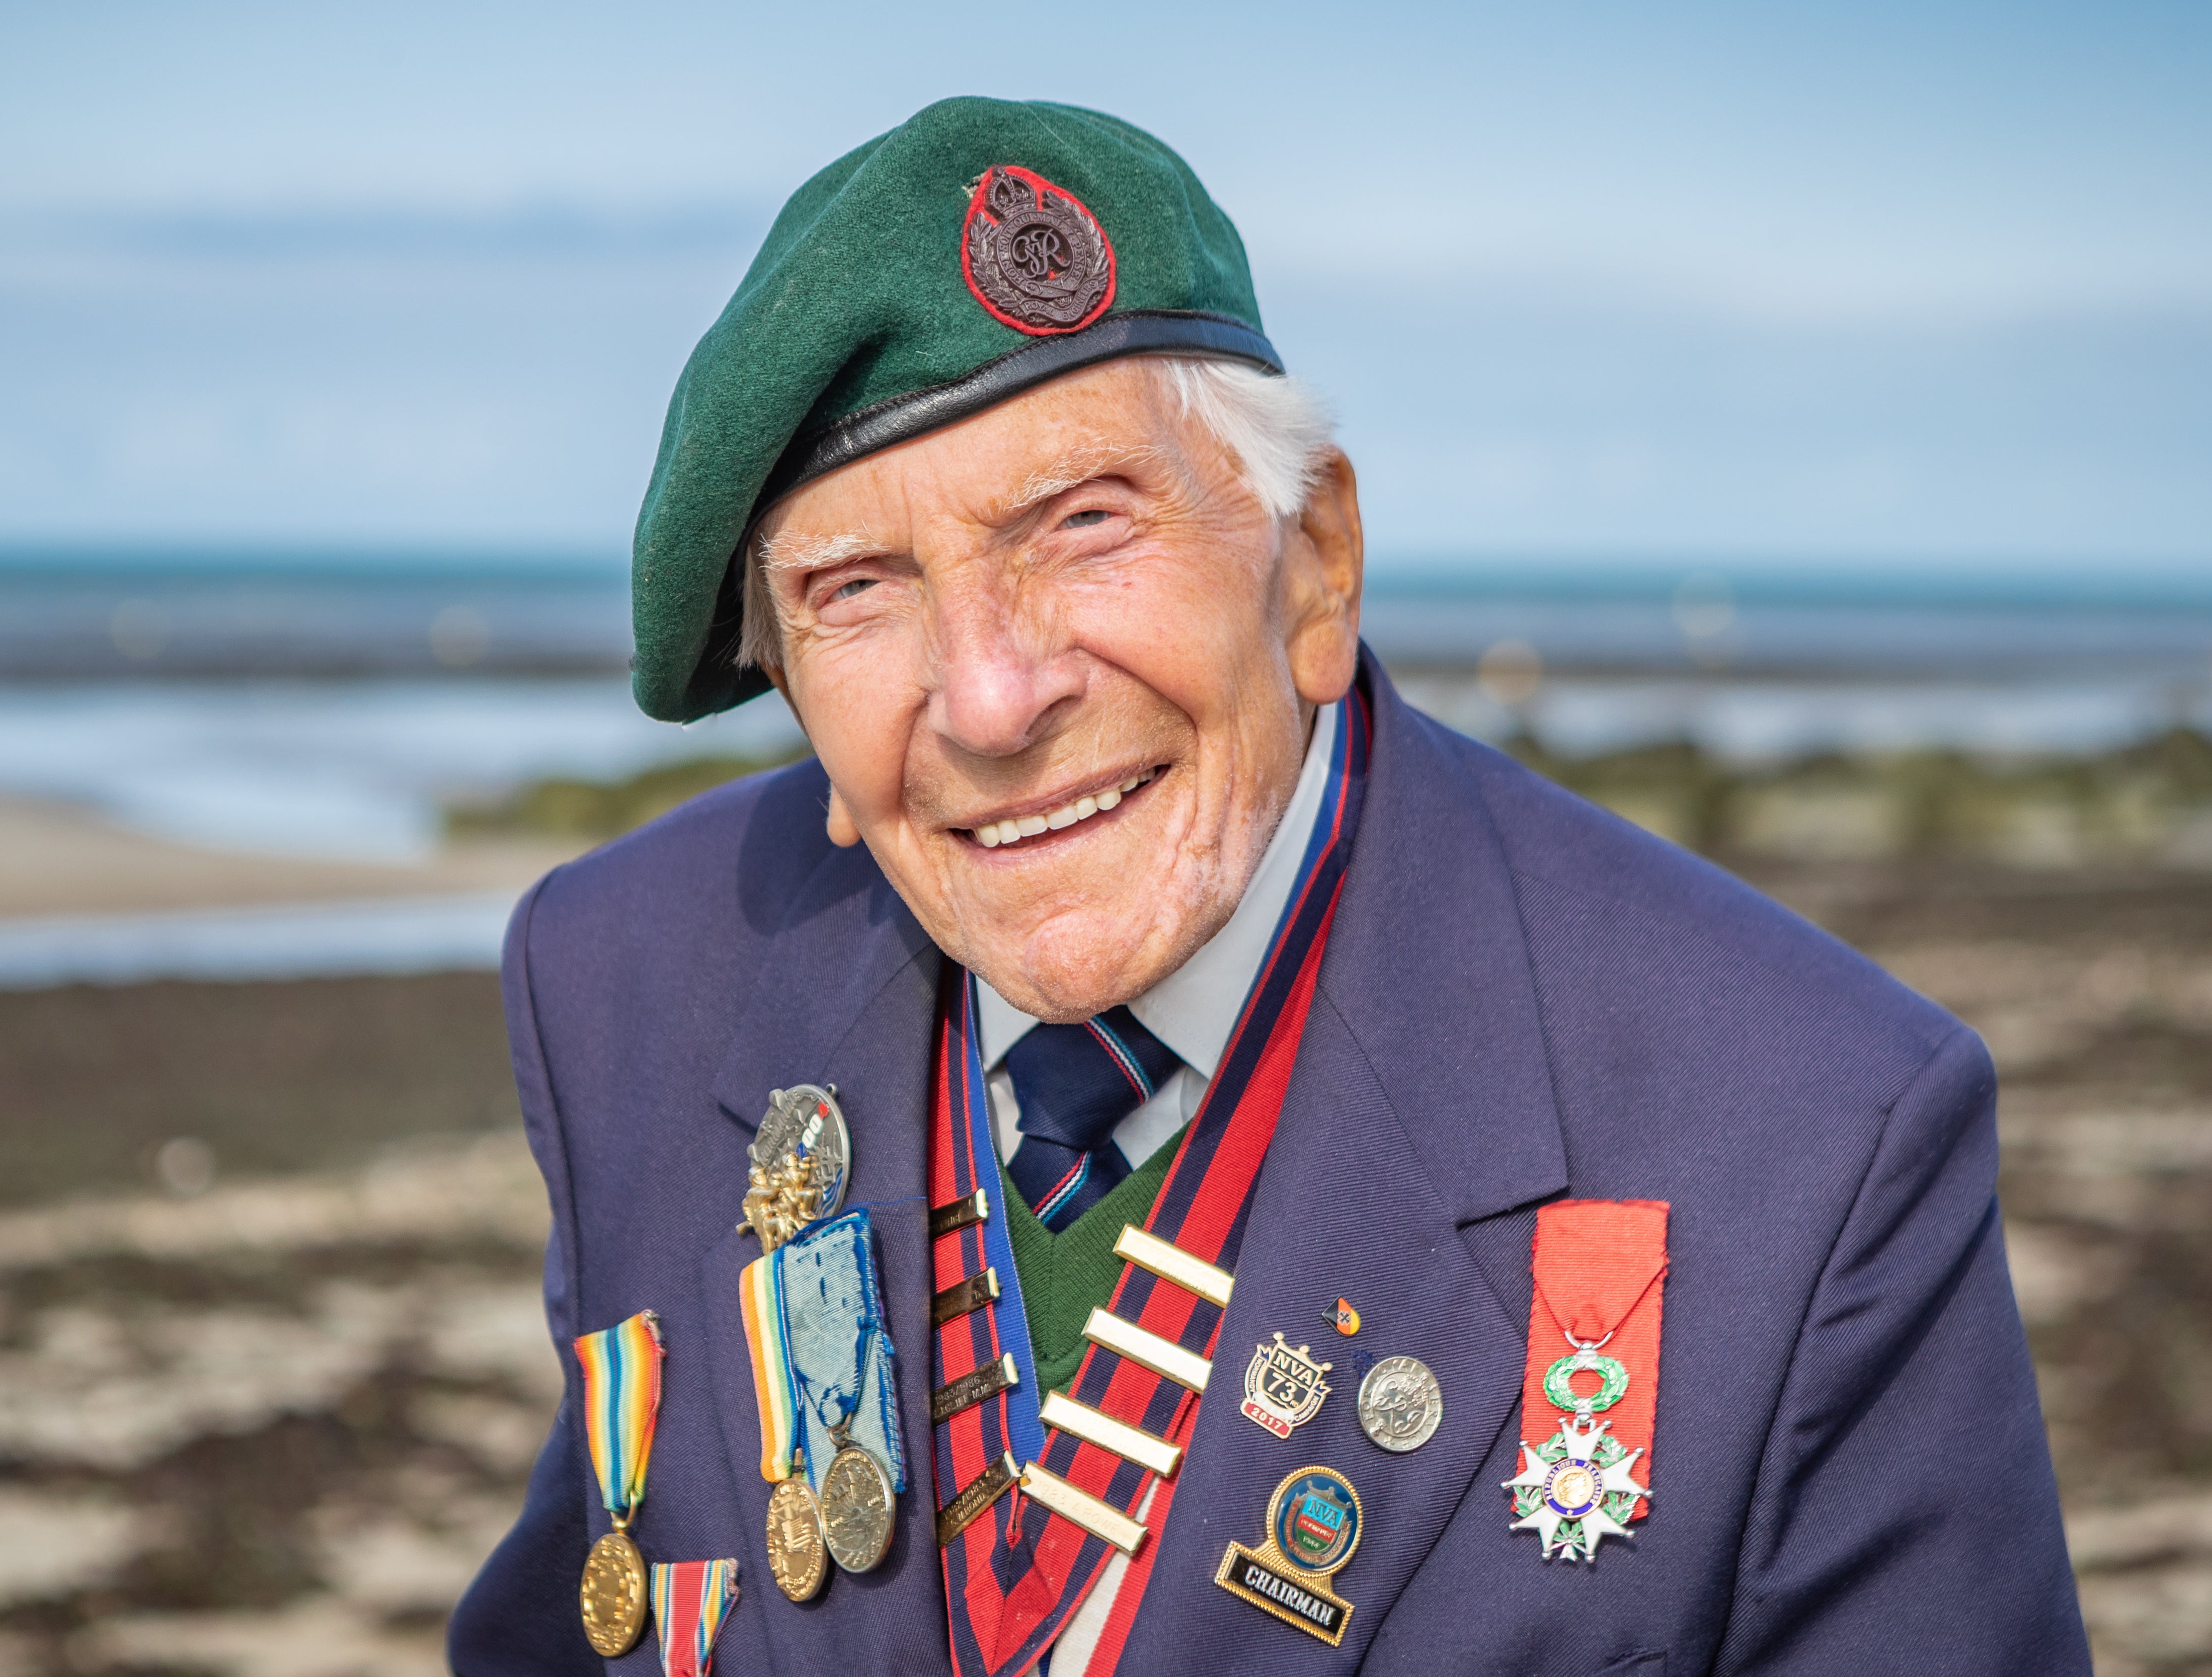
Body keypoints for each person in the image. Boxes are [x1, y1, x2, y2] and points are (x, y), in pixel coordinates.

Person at [449, 98, 2087, 1675]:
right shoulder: (623, 984)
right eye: (855, 591)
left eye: (1086, 525)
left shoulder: (1813, 1129)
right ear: (795, 688)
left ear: (1315, 566)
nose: (994, 700)